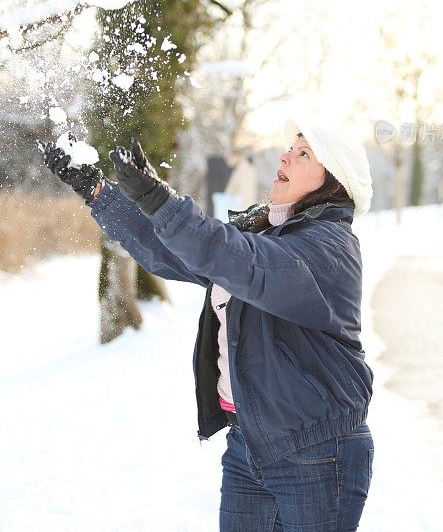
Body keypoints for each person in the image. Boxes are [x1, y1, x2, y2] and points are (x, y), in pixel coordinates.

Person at [42, 116, 375, 531]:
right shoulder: (269, 231)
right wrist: (96, 189)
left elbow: (239, 261)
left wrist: (161, 200)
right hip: (249, 443)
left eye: (304, 153)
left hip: (318, 450)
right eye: (291, 146)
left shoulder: (328, 247)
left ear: (334, 183)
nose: (286, 155)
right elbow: (175, 251)